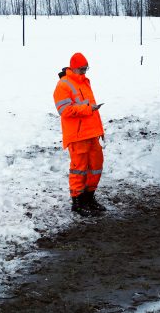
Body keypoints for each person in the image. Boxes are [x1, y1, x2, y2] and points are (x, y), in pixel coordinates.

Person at [53, 52, 106, 217]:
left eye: (86, 69)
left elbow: (92, 109)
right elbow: (64, 110)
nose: (84, 72)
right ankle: (77, 201)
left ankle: (89, 198)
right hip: (77, 136)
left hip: (91, 133)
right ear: (74, 68)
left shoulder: (84, 82)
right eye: (82, 69)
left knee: (96, 166)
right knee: (79, 169)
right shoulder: (63, 85)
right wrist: (88, 108)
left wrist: (100, 130)